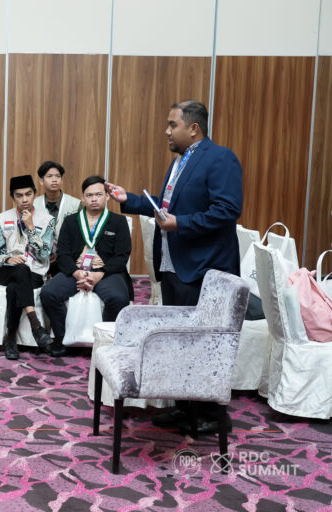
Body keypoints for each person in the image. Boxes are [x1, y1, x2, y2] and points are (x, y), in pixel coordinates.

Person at [107, 99, 243, 435]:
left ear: (193, 128)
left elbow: (227, 210)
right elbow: (165, 207)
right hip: (173, 265)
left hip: (202, 268)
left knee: (201, 342)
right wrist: (130, 200)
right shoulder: (180, 161)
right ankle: (184, 406)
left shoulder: (220, 158)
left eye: (173, 125)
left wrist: (180, 223)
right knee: (178, 341)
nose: (167, 131)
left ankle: (211, 414)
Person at [40, 175, 132, 355]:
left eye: (98, 194)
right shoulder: (71, 221)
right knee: (49, 294)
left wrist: (100, 273)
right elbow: (63, 254)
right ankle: (63, 339)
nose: (94, 199)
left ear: (107, 196)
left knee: (118, 298)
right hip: (75, 272)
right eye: (89, 195)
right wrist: (77, 273)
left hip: (107, 273)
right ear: (82, 198)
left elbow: (122, 256)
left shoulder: (118, 222)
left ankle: (104, 343)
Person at [0, 175, 55, 360]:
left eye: (28, 194)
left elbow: (44, 254)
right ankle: (36, 326)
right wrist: (8, 259)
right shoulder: (2, 218)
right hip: (7, 270)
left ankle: (11, 338)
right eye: (19, 196)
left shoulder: (47, 220)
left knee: (14, 287)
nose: (24, 199)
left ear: (35, 194)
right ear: (13, 197)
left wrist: (31, 227)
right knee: (19, 271)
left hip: (35, 271)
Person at [33, 161, 82, 276]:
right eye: (49, 176)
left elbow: (81, 236)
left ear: (62, 180)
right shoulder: (33, 205)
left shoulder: (76, 204)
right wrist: (44, 254)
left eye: (58, 176)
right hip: (39, 257)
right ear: (41, 181)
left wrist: (61, 254)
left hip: (68, 257)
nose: (54, 180)